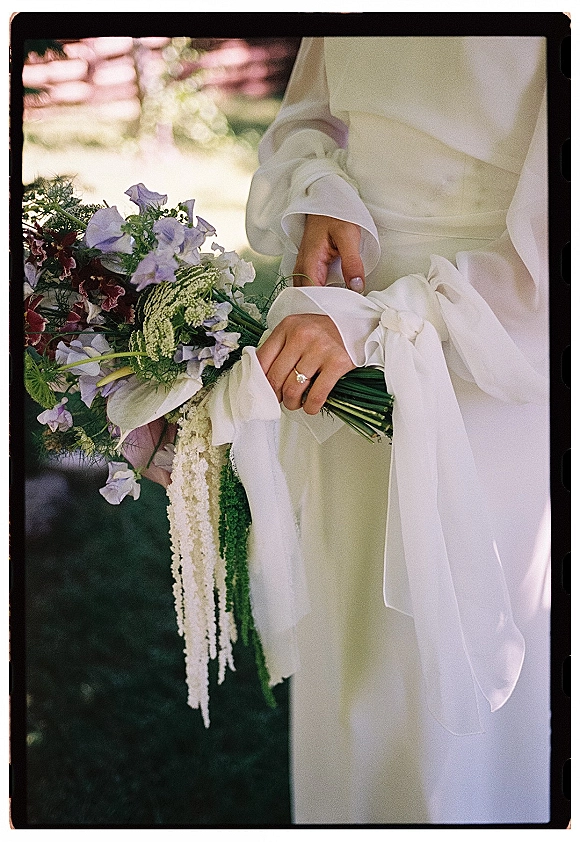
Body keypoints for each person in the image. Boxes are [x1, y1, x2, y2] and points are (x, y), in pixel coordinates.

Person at [245, 36, 550, 825]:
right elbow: (315, 115)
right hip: (348, 304)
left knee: (447, 667)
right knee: (356, 651)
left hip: (481, 345)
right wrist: (324, 192)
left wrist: (390, 325)